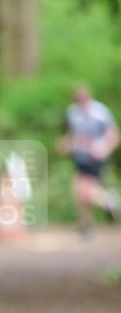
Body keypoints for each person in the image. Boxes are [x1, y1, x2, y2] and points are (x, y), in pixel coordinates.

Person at [56, 83, 120, 238]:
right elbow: (73, 134)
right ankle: (87, 223)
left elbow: (114, 134)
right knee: (79, 191)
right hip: (80, 155)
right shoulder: (73, 112)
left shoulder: (100, 112)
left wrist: (104, 149)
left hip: (95, 157)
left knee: (86, 190)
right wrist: (65, 143)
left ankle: (109, 201)